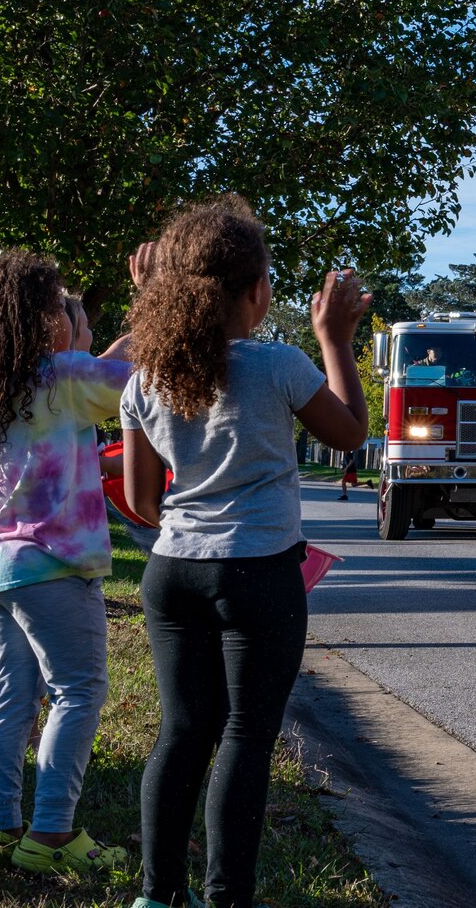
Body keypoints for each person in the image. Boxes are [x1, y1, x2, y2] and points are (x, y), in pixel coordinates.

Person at [121, 196, 369, 908]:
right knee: (245, 735)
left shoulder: (146, 379)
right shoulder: (277, 366)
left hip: (173, 573)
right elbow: (351, 432)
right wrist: (335, 336)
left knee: (181, 732)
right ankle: (227, 896)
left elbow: (141, 501)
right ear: (256, 291)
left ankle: (155, 895)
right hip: (258, 573)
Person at [0, 249, 146, 878]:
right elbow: (142, 379)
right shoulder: (64, 379)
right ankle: (52, 834)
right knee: (78, 691)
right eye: (61, 305)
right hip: (50, 567)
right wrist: (156, 301)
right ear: (38, 318)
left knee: (9, 700)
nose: (72, 312)